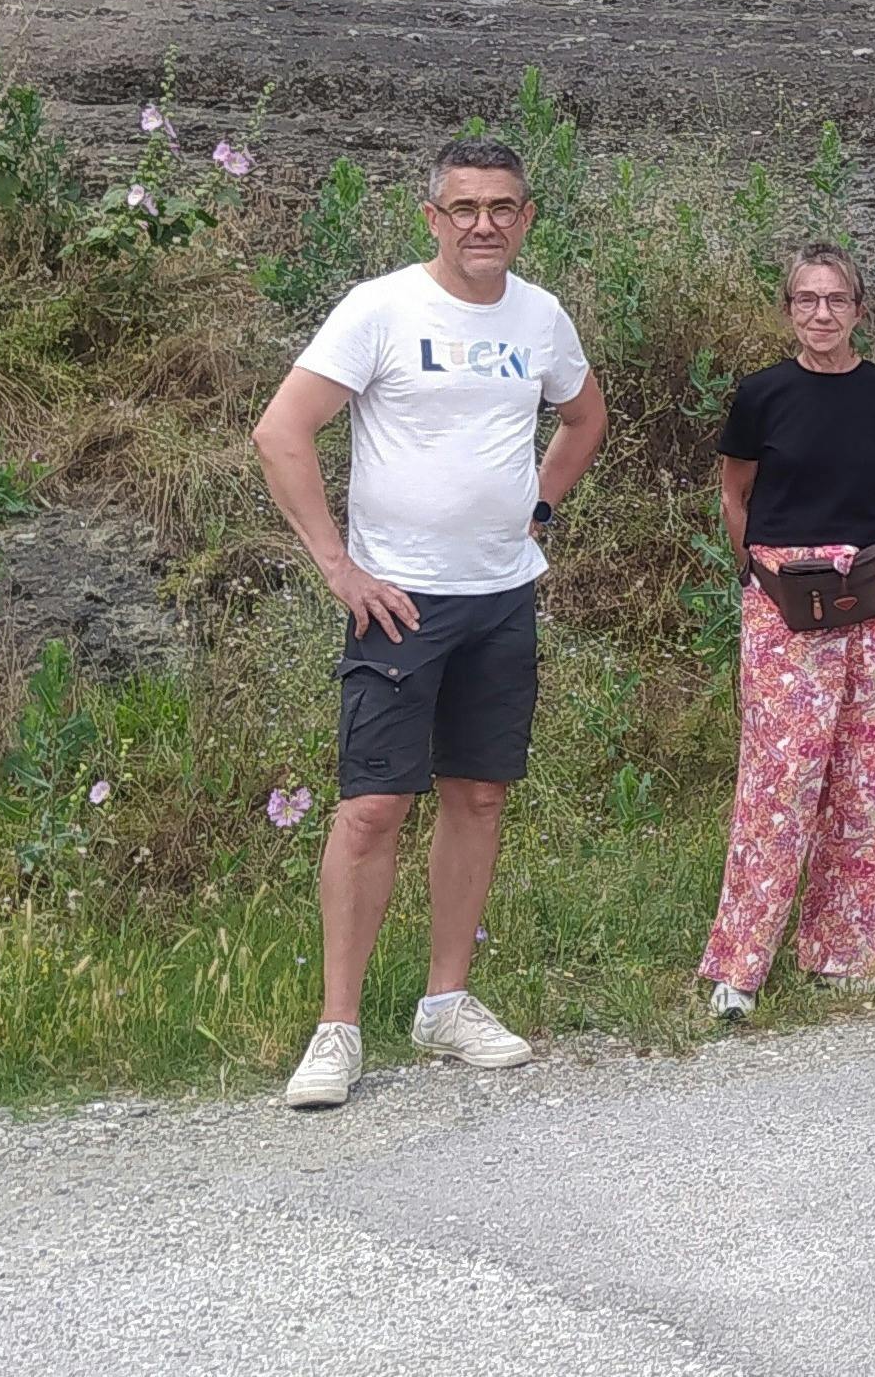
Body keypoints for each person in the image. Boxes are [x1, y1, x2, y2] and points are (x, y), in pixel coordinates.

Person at [253, 136, 608, 1110]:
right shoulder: (381, 308)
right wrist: (339, 567)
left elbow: (585, 418)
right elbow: (281, 431)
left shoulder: (541, 317)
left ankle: (445, 1002)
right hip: (399, 602)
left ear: (526, 217)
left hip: (502, 596)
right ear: (433, 217)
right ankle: (337, 1028)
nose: (483, 224)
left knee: (479, 796)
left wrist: (539, 507)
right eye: (464, 208)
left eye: (502, 207)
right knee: (373, 808)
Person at [697, 245, 875, 1017]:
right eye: (807, 299)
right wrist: (757, 573)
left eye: (836, 299)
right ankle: (741, 964)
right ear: (788, 310)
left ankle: (846, 951)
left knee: (861, 778)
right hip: (784, 605)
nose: (822, 313)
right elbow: (736, 496)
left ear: (860, 310)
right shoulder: (762, 395)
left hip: (873, 600)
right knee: (778, 781)